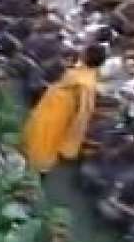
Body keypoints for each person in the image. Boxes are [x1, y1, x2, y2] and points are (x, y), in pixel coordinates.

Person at [22, 44, 105, 172]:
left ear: (89, 56)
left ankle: (36, 166)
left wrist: (75, 128)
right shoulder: (81, 70)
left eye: (85, 52)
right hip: (50, 104)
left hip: (59, 112)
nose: (81, 52)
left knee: (45, 136)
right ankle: (25, 154)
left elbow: (85, 108)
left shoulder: (87, 82)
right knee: (36, 128)